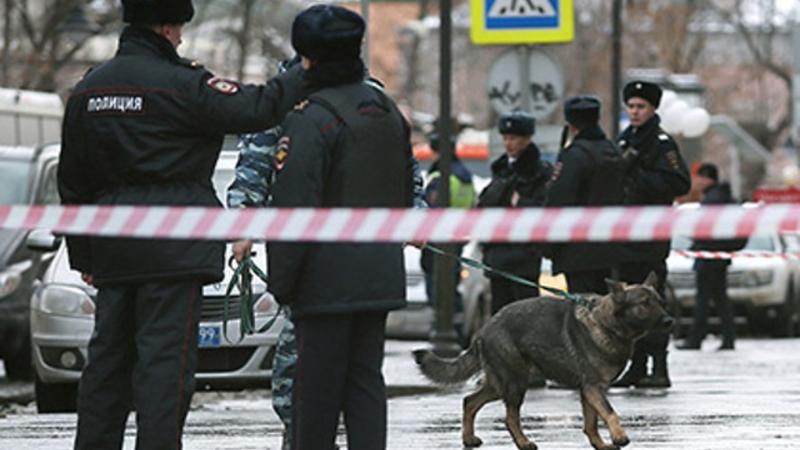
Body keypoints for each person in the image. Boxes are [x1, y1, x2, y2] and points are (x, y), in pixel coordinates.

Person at [57, 0, 307, 448]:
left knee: (106, 367)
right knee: (164, 369)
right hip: (174, 248)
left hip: (113, 246)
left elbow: (72, 182)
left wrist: (84, 256)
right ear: (170, 27)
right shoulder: (184, 85)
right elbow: (259, 108)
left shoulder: (87, 90)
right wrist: (309, 70)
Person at [228, 75, 427, 450]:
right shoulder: (362, 107)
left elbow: (405, 179)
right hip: (363, 268)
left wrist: (283, 282)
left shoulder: (317, 111)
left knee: (314, 380)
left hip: (321, 271)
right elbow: (254, 171)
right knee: (347, 381)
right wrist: (243, 224)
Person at [265, 5, 414, 449]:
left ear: (307, 58)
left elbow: (294, 211)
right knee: (366, 384)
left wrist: (282, 283)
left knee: (316, 395)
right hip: (379, 274)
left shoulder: (311, 118)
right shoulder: (386, 110)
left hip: (324, 284)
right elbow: (405, 194)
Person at [612, 81, 691, 389]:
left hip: (650, 236)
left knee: (652, 302)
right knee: (630, 304)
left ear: (653, 109)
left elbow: (679, 183)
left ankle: (659, 367)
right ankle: (637, 365)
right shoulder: (624, 139)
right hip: (624, 234)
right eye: (630, 106)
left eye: (640, 106)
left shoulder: (661, 143)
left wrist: (641, 175)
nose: (634, 112)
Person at [545, 96, 625, 294]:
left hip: (578, 251)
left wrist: (549, 247)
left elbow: (559, 201)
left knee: (581, 314)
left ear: (571, 125)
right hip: (611, 248)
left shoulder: (574, 156)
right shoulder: (613, 152)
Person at [478, 111, 552, 314]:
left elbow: (543, 213)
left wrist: (522, 204)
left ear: (527, 139)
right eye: (505, 138)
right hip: (498, 256)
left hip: (523, 259)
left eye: (514, 138)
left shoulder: (540, 172)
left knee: (526, 318)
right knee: (500, 317)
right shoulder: (501, 170)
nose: (508, 143)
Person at [677, 163, 744, 351]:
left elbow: (704, 228)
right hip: (718, 255)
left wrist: (696, 240)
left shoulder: (713, 200)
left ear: (707, 178)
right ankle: (728, 338)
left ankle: (696, 339)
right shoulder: (721, 197)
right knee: (720, 299)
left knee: (704, 299)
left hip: (709, 255)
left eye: (698, 177)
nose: (695, 182)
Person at [419, 128, 475, 345]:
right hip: (458, 240)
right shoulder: (466, 177)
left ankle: (441, 328)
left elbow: (428, 210)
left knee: (439, 289)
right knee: (452, 288)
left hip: (438, 240)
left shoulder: (440, 177)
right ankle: (457, 329)